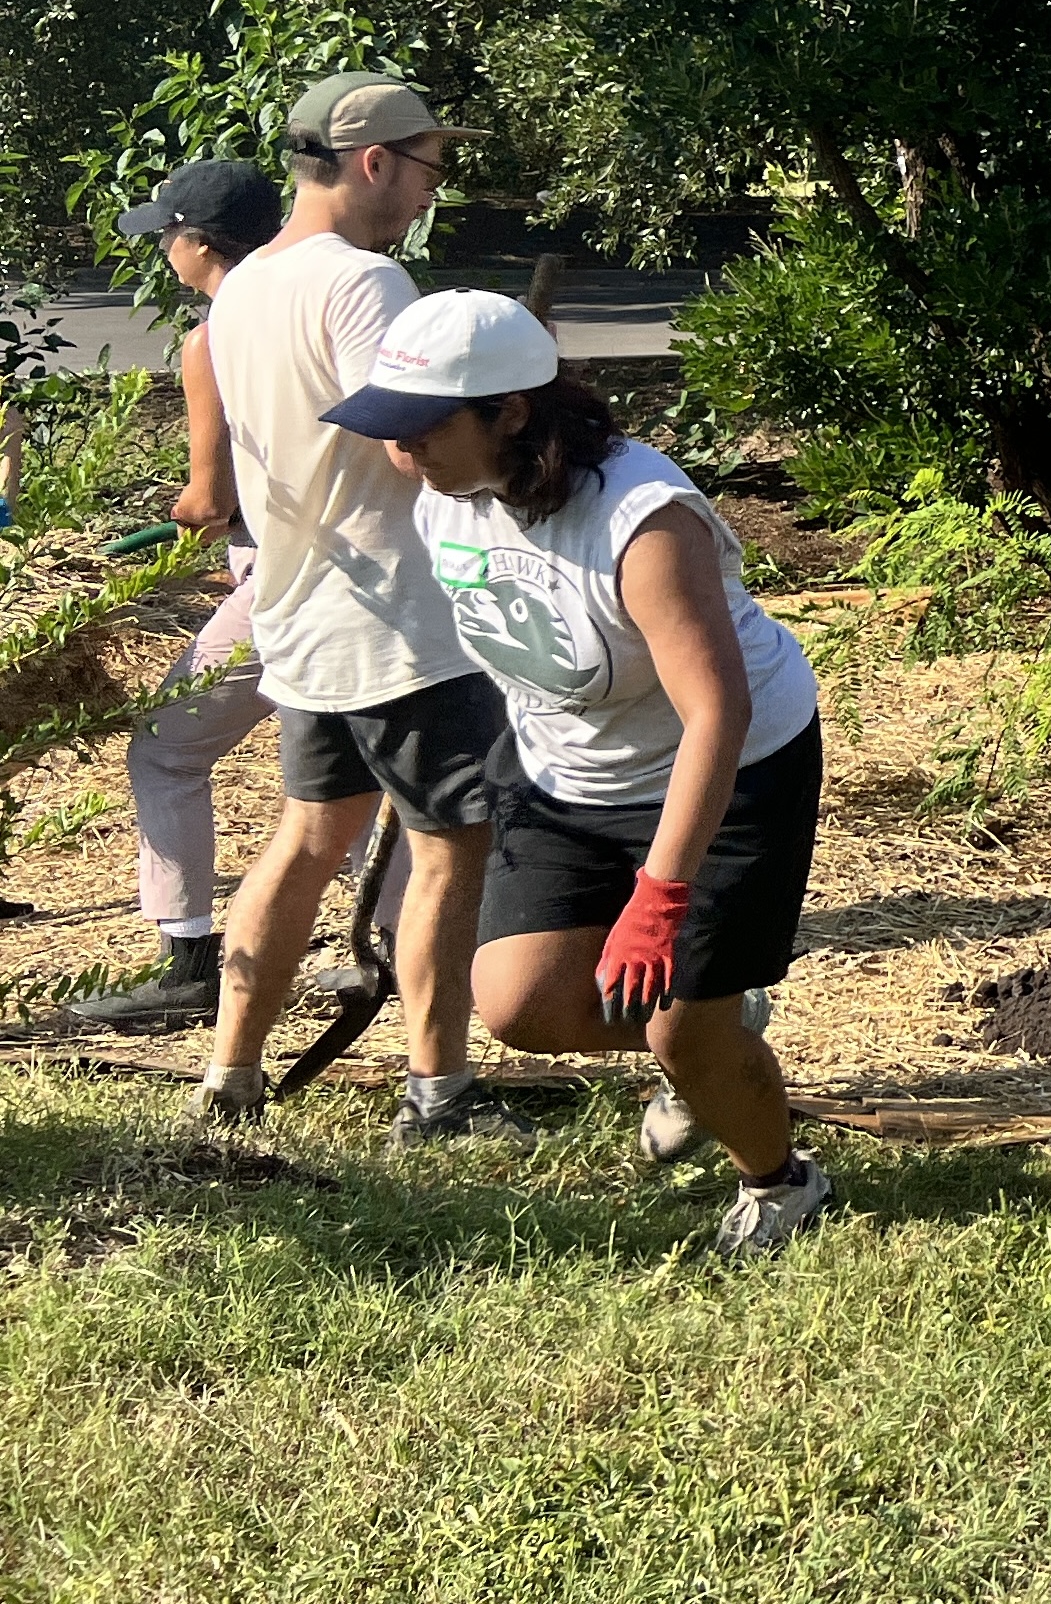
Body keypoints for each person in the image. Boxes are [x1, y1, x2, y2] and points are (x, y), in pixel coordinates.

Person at [325, 290, 833, 1250]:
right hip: (566, 775)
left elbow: (714, 713)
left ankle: (779, 1182)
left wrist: (662, 894)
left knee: (685, 1031)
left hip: (729, 770)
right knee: (519, 1003)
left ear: (512, 413)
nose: (400, 451)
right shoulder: (451, 495)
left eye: (421, 427)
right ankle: (715, 1031)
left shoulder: (642, 522)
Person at [191, 73, 526, 1147]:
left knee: (305, 838)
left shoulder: (242, 286)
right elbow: (405, 443)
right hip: (404, 626)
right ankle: (438, 1095)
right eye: (429, 164)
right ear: (374, 162)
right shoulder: (367, 285)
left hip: (298, 615)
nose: (434, 187)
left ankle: (232, 1072)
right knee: (448, 849)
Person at [67, 161, 407, 1029]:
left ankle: (187, 957)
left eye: (168, 235)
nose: (165, 251)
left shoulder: (215, 334)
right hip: (377, 570)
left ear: (201, 244)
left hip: (287, 577)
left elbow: (210, 502)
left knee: (167, 750)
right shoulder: (314, 299)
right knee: (374, 765)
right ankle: (400, 946)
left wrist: (178, 521)